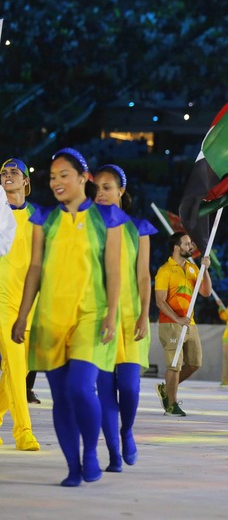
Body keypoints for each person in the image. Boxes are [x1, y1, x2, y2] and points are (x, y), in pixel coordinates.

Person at [12, 148, 126, 486]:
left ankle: (90, 452)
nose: (57, 182)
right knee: (60, 396)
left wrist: (112, 314)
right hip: (50, 317)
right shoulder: (43, 219)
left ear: (83, 178)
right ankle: (73, 466)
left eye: (64, 175)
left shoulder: (109, 219)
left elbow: (114, 271)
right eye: (52, 177)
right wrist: (23, 315)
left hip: (91, 316)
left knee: (79, 387)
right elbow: (34, 268)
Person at [92, 164, 157, 472]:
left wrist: (145, 315)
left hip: (131, 318)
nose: (101, 193)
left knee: (129, 388)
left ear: (121, 191)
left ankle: (126, 430)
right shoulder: (84, 227)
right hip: (96, 320)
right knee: (104, 392)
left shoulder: (138, 227)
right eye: (97, 187)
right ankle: (113, 454)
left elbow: (144, 277)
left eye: (108, 187)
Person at [0, 157, 41, 451]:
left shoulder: (39, 216)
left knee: (20, 368)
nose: (7, 175)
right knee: (14, 363)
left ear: (26, 181)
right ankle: (23, 431)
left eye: (14, 172)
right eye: (3, 173)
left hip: (31, 304)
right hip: (3, 301)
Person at [154, 231, 212, 417]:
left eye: (191, 244)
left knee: (195, 363)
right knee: (174, 366)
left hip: (189, 323)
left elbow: (206, 292)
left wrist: (205, 270)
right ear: (176, 248)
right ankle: (171, 405)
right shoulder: (165, 270)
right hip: (170, 324)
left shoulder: (193, 269)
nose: (191, 247)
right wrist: (177, 319)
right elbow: (160, 301)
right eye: (187, 244)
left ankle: (166, 389)